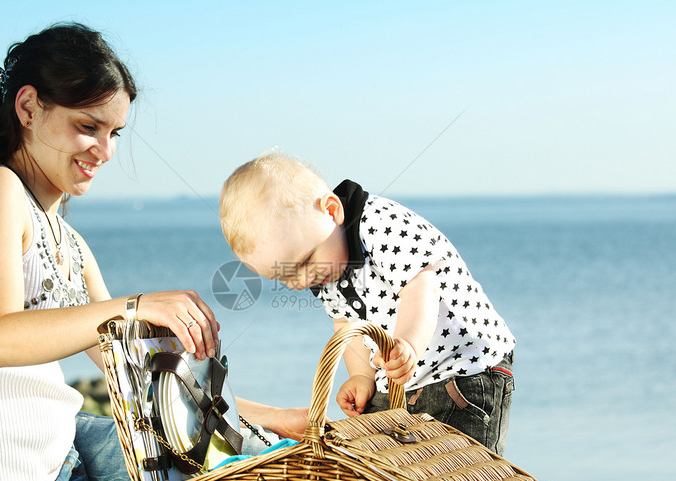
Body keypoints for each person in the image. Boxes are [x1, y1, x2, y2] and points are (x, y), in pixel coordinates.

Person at [0, 24, 307, 481]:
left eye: (115, 132)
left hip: (64, 453)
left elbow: (143, 379)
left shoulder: (68, 241)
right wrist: (136, 304)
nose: (105, 150)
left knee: (250, 469)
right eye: (87, 127)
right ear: (28, 108)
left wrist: (274, 418)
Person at [219, 152, 515, 455]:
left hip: (463, 370)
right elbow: (346, 323)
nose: (300, 281)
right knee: (382, 471)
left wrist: (409, 345)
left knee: (460, 475)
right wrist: (361, 375)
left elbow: (419, 287)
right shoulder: (324, 266)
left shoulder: (380, 225)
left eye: (305, 261)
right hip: (401, 383)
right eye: (284, 276)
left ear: (332, 211)